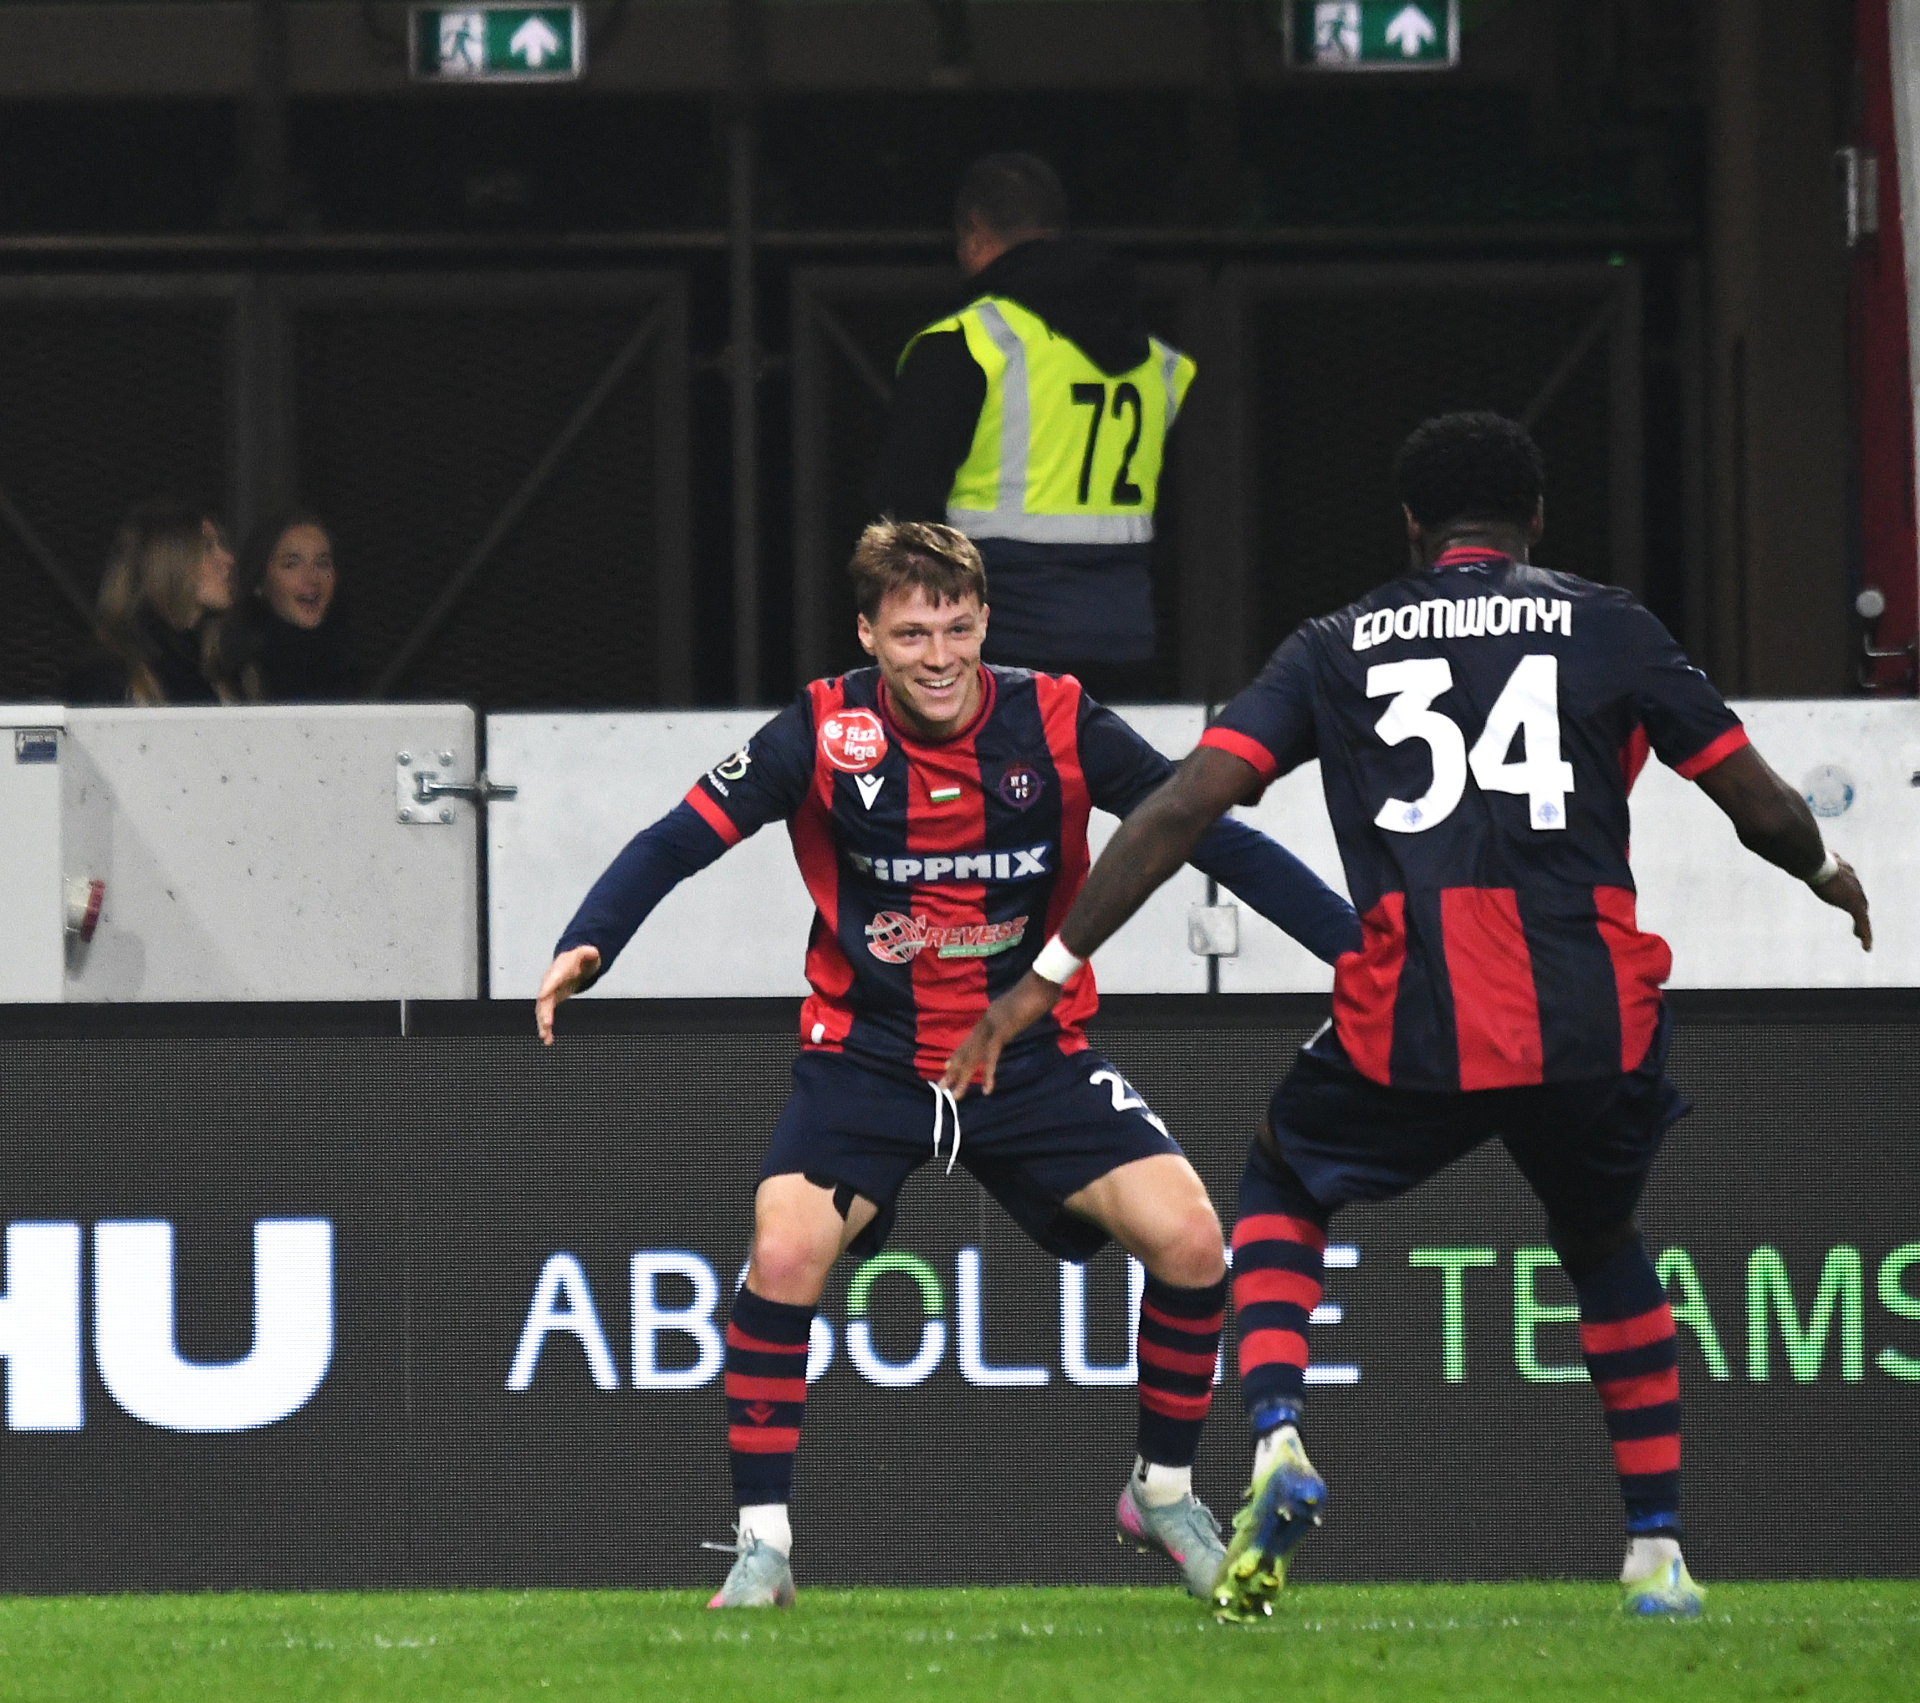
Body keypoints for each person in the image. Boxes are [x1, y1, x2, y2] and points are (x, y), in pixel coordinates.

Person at [943, 413, 1874, 1623]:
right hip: (1590, 1011)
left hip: (1415, 1007)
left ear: (1411, 526)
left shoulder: (1335, 642)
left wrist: (1044, 972)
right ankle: (1657, 1554)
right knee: (1603, 1244)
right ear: (1535, 519)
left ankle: (1278, 1432)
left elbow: (1180, 808)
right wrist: (1827, 871)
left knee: (1282, 1181)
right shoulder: (1612, 623)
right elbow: (1758, 805)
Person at [536, 519, 1359, 1609]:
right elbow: (675, 839)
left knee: (1195, 1240)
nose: (938, 656)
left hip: (1030, 1055)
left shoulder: (1058, 718)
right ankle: (763, 1545)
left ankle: (1161, 1492)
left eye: (958, 629)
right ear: (866, 635)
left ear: (985, 623)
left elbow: (1208, 830)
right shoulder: (822, 729)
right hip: (867, 1059)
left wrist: (1359, 950)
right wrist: (591, 940)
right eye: (912, 633)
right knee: (783, 1251)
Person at [874, 152, 1192, 700]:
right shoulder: (1158, 362)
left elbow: (903, 508)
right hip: (1125, 639)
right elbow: (1180, 508)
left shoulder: (967, 345)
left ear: (975, 230)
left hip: (999, 642)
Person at [66, 501, 240, 705]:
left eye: (222, 545)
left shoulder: (216, 667)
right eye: (208, 547)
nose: (228, 559)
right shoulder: (113, 675)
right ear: (166, 562)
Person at [221, 509, 363, 702]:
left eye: (322, 564)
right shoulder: (235, 669)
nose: (312, 578)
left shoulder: (349, 660)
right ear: (259, 583)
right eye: (292, 564)